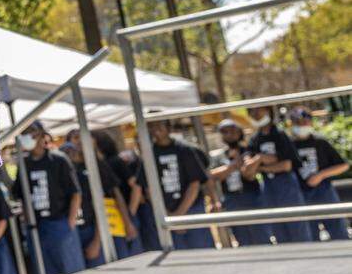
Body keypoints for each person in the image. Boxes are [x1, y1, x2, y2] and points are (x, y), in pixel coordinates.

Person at [14, 122, 84, 274]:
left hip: (60, 223)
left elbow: (75, 193)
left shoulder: (58, 159)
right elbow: (20, 195)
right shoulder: (24, 163)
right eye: (24, 134)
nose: (27, 138)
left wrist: (69, 223)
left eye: (30, 133)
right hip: (37, 227)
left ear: (41, 135)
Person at [133, 119, 213, 249]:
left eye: (159, 125)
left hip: (191, 211)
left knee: (202, 251)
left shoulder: (185, 149)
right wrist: (167, 215)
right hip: (166, 214)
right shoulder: (149, 155)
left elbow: (195, 184)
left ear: (169, 128)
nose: (155, 129)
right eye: (151, 126)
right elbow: (148, 189)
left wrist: (179, 215)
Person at [61, 140, 134, 266]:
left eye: (72, 150)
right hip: (77, 231)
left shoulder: (94, 167)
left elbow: (111, 198)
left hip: (102, 227)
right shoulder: (67, 174)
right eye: (65, 152)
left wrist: (128, 223)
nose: (70, 154)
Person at [247, 105, 312, 243]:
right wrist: (264, 161)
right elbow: (248, 169)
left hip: (287, 187)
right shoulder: (254, 140)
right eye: (252, 111)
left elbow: (286, 165)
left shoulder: (280, 135)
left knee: (298, 229)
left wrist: (261, 163)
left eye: (259, 110)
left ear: (269, 112)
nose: (255, 113)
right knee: (278, 230)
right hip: (268, 188)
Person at [289, 108, 350, 241]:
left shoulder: (320, 142)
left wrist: (321, 175)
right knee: (310, 237)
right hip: (301, 195)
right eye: (299, 122)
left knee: (339, 234)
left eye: (306, 122)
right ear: (292, 124)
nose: (303, 125)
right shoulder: (289, 145)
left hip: (324, 192)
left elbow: (343, 165)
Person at [209, 118, 272, 246]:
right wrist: (232, 166)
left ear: (239, 133)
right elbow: (212, 176)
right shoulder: (219, 156)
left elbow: (249, 174)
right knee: (242, 238)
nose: (229, 135)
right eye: (225, 132)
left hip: (252, 198)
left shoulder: (248, 150)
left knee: (261, 236)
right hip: (232, 200)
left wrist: (239, 161)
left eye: (232, 131)